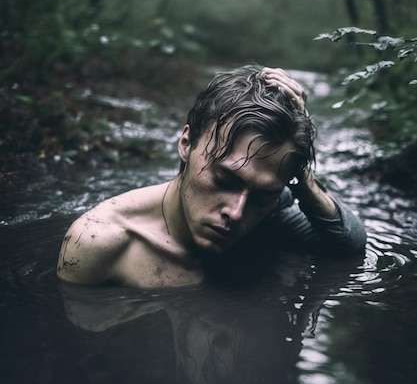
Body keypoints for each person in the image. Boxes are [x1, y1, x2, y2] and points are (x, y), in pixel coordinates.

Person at [56, 65, 366, 288]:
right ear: (186, 143)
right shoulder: (98, 241)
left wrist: (300, 178)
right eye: (224, 181)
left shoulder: (270, 213)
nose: (236, 212)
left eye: (261, 195)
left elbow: (349, 244)